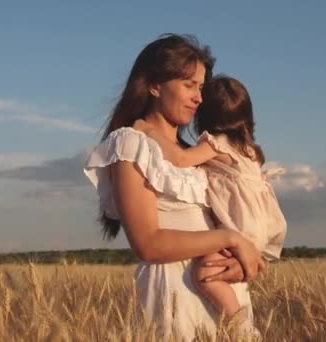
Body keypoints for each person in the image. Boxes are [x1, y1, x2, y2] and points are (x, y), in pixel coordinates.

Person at [83, 34, 265, 340]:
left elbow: (240, 223)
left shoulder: (195, 153)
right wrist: (230, 238)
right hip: (175, 293)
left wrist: (241, 262)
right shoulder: (131, 143)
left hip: (222, 293)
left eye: (201, 87)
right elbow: (148, 244)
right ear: (155, 85)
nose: (199, 97)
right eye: (189, 84)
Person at [133, 75, 287, 332]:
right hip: (261, 224)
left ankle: (243, 329)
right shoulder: (250, 150)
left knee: (205, 275)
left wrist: (148, 131)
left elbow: (181, 159)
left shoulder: (217, 143)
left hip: (239, 226)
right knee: (224, 273)